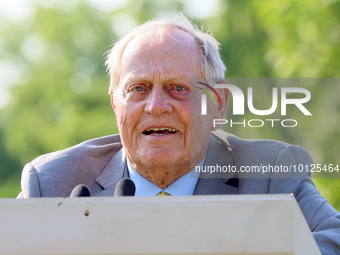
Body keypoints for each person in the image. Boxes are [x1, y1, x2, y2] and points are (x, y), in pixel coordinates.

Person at [17, 13, 339, 253]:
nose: (156, 106)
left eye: (179, 88)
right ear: (116, 104)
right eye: (138, 88)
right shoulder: (52, 182)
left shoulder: (269, 172)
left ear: (219, 105)